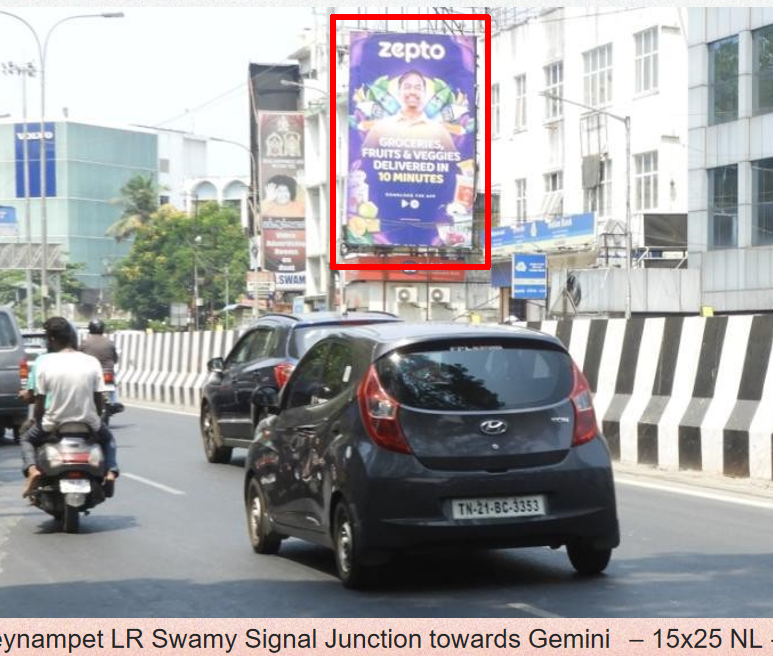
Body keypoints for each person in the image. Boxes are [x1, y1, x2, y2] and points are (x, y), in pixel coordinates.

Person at [20, 317, 119, 498]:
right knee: (109, 440)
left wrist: (38, 421)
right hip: (87, 422)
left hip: (53, 423)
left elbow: (40, 405)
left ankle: (33, 470)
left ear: (51, 340)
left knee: (26, 439)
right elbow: (99, 401)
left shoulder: (45, 364)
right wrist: (95, 418)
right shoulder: (91, 362)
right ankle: (111, 472)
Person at [362, 70, 457, 151]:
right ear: (398, 92)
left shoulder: (439, 131)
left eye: (418, 88)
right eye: (407, 87)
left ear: (425, 93)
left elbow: (452, 165)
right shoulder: (380, 127)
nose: (412, 92)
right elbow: (365, 159)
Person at [80, 318, 123, 413]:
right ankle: (114, 402)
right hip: (107, 371)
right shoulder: (109, 342)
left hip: (89, 372)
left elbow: (79, 358)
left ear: (90, 329)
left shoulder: (85, 342)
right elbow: (115, 359)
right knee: (114, 386)